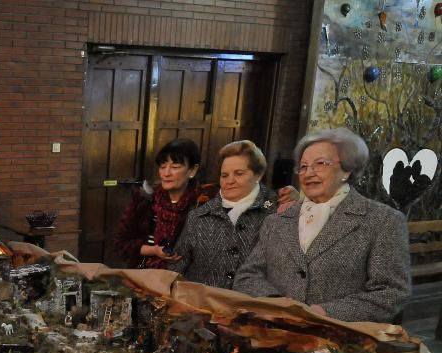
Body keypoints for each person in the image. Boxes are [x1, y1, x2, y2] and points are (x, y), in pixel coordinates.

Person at [234, 128, 410, 323]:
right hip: (276, 336)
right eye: (303, 166)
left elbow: (392, 291)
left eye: (320, 164)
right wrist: (275, 303)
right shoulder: (276, 221)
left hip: (341, 342)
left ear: (346, 169)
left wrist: (327, 312)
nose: (309, 173)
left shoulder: (383, 220)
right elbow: (247, 275)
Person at [168, 140, 277, 289]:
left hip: (254, 308)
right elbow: (175, 269)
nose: (230, 181)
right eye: (224, 175)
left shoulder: (277, 212)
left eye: (239, 173)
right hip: (202, 307)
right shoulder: (198, 216)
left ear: (258, 174)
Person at [114, 138, 203, 269]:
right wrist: (154, 251)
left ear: (192, 170)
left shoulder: (202, 205)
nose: (166, 173)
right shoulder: (145, 200)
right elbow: (121, 244)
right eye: (162, 166)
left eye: (175, 167)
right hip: (145, 278)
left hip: (186, 281)